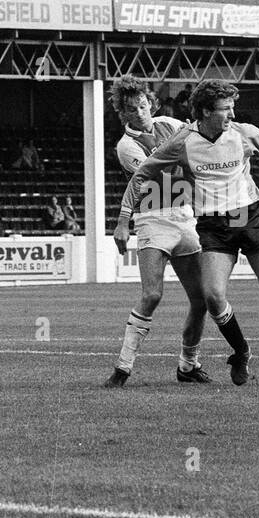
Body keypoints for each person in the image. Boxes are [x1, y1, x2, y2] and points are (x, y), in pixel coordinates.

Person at [115, 78, 259, 387]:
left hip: (246, 215)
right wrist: (123, 219)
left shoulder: (243, 133)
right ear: (204, 111)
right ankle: (241, 351)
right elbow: (144, 175)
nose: (232, 114)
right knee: (212, 297)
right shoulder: (182, 141)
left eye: (232, 107)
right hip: (212, 223)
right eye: (225, 109)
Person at [103, 75, 209, 387]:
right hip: (152, 219)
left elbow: (196, 148)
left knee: (201, 299)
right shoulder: (126, 146)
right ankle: (123, 368)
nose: (140, 112)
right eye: (132, 110)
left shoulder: (169, 124)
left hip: (184, 217)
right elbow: (161, 175)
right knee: (152, 294)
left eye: (143, 106)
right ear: (123, 114)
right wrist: (186, 164)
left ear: (152, 104)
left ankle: (188, 365)